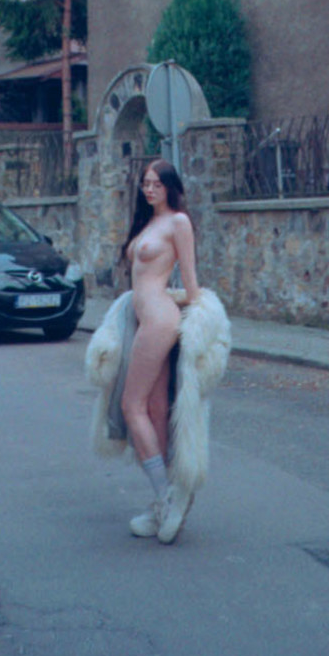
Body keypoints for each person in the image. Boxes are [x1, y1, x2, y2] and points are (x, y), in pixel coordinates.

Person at [122, 157, 200, 541]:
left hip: (159, 320)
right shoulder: (149, 222)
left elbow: (191, 284)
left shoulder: (178, 222)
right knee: (154, 409)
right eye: (146, 184)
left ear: (170, 186)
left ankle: (167, 496)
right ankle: (164, 500)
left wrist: (190, 312)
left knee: (130, 405)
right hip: (146, 320)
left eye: (157, 183)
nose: (150, 189)